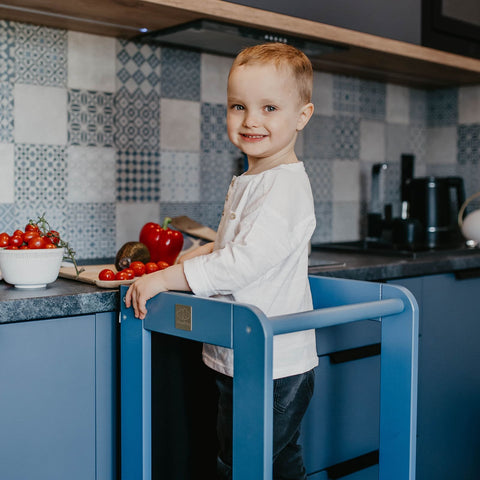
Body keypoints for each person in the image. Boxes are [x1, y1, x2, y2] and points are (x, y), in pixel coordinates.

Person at [126, 42, 317, 480]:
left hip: (271, 364)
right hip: (249, 354)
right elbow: (238, 244)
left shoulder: (283, 186)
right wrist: (204, 252)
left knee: (241, 464)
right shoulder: (256, 178)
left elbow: (247, 261)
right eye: (238, 106)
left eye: (270, 107)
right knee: (276, 461)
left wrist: (171, 276)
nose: (251, 120)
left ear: (302, 116)